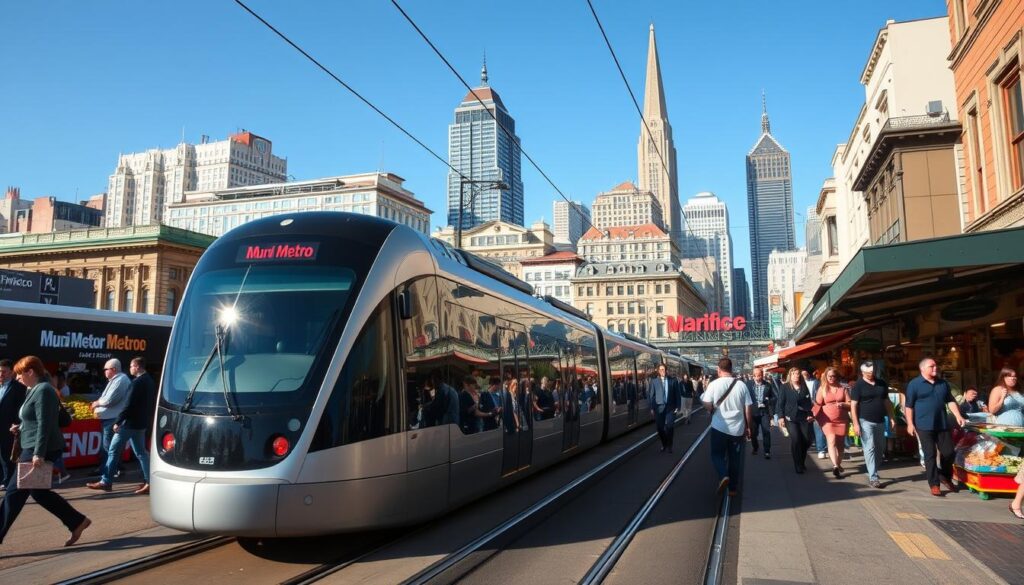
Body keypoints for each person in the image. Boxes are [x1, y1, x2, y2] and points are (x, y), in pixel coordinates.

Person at [0, 356, 91, 547]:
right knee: (38, 493)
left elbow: (46, 424)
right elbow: (35, 420)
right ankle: (76, 521)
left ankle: (76, 521)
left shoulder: (44, 391)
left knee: (13, 494)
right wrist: (22, 427)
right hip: (32, 445)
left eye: (19, 374)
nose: (17, 378)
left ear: (30, 372)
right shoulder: (35, 390)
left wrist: (38, 454)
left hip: (38, 448)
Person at [88, 357, 156, 494]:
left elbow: (128, 405)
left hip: (129, 423)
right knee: (142, 453)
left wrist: (118, 421)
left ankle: (106, 481)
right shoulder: (149, 381)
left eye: (131, 366)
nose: (129, 368)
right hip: (141, 423)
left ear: (137, 367)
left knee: (113, 450)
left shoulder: (136, 383)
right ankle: (150, 482)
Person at [905, 357, 966, 496]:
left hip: (942, 423)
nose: (935, 368)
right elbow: (909, 406)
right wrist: (910, 423)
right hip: (923, 425)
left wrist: (958, 415)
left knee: (949, 452)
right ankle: (934, 484)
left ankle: (944, 475)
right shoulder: (914, 384)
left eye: (935, 366)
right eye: (931, 366)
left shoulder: (942, 383)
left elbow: (950, 401)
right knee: (930, 454)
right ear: (922, 369)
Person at [702, 358, 753, 495]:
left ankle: (724, 475)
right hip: (737, 429)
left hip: (719, 427)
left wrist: (710, 408)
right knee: (735, 458)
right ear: (731, 369)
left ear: (719, 370)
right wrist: (749, 427)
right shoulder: (741, 385)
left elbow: (707, 403)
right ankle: (733, 489)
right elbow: (748, 409)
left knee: (717, 455)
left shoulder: (713, 384)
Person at [850, 361, 895, 489]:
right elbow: (853, 405)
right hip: (865, 420)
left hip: (880, 420)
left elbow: (887, 401)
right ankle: (873, 477)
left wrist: (892, 417)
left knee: (880, 448)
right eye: (867, 373)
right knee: (869, 447)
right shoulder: (858, 385)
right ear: (862, 372)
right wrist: (856, 424)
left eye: (872, 372)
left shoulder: (881, 383)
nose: (870, 374)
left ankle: (872, 468)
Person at [90, 359, 131, 477]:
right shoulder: (115, 380)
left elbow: (110, 400)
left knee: (108, 446)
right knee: (108, 446)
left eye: (106, 369)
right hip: (109, 418)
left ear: (113, 369)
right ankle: (109, 468)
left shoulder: (121, 380)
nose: (104, 371)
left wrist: (97, 403)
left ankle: (111, 469)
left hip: (112, 418)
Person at [777, 367, 815, 474]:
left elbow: (808, 401)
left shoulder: (803, 386)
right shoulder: (785, 387)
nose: (796, 376)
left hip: (803, 417)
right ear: (790, 375)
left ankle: (802, 461)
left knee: (807, 440)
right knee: (796, 440)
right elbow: (780, 402)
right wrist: (780, 417)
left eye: (798, 374)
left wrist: (809, 413)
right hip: (791, 417)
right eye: (794, 374)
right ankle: (797, 464)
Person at [815, 367, 851, 478]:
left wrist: (843, 404)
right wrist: (813, 416)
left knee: (840, 445)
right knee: (831, 440)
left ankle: (838, 464)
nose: (831, 378)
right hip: (827, 420)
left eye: (833, 376)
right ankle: (835, 465)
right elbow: (817, 404)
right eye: (829, 376)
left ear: (837, 377)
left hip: (842, 420)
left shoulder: (843, 388)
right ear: (826, 377)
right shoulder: (822, 388)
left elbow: (850, 404)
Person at [0, 358, 28, 490]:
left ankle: (7, 481)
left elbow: (22, 409)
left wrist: (18, 425)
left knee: (7, 456)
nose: (1, 374)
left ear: (11, 372)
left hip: (9, 428)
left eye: (4, 372)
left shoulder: (19, 388)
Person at [648, 363, 681, 453]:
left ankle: (670, 446)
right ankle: (664, 443)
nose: (663, 371)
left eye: (664, 369)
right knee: (659, 428)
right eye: (661, 370)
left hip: (670, 407)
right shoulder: (654, 381)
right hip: (659, 408)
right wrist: (651, 407)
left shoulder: (673, 381)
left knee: (670, 427)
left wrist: (678, 406)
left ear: (666, 370)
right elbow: (651, 396)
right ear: (658, 371)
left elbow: (677, 394)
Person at [745, 367, 776, 459]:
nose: (758, 377)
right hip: (753, 413)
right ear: (753, 376)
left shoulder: (768, 385)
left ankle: (767, 451)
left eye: (760, 375)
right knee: (753, 433)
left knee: (766, 431)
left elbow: (773, 398)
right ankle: (755, 447)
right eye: (756, 375)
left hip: (764, 412)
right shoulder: (748, 385)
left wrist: (768, 400)